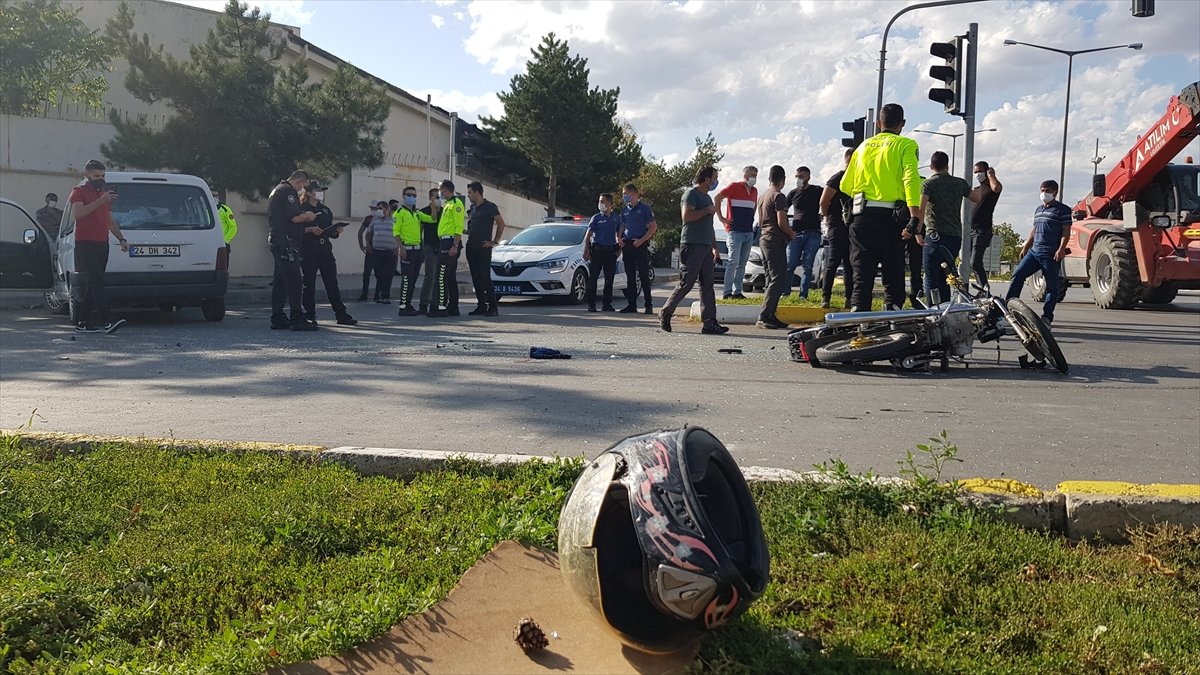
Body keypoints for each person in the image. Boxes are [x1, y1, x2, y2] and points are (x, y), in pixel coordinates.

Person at [840, 103, 921, 312]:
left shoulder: (862, 147)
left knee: (862, 275)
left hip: (861, 218)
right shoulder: (906, 145)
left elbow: (845, 185)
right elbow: (911, 178)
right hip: (891, 218)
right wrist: (914, 217)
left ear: (878, 123)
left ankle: (859, 321)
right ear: (902, 124)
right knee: (893, 273)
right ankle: (892, 318)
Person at [660, 166, 728, 335]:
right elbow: (687, 217)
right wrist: (706, 211)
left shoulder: (708, 198)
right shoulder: (691, 195)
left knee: (707, 285)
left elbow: (710, 227)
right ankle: (666, 312)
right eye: (714, 177)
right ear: (706, 179)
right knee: (687, 282)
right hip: (692, 244)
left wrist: (715, 249)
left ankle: (709, 322)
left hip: (705, 246)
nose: (715, 181)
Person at [67, 160, 130, 333]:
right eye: (96, 176)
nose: (100, 179)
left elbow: (109, 220)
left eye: (103, 176)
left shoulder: (104, 195)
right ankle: (107, 320)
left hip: (102, 242)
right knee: (97, 281)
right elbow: (78, 214)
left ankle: (82, 321)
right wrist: (100, 201)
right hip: (85, 243)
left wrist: (121, 238)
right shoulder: (79, 192)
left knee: (94, 282)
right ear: (87, 174)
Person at [1006, 180, 1072, 326]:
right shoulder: (1039, 209)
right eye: (1042, 190)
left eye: (1047, 191)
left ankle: (1047, 317)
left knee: (1052, 287)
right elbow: (1034, 230)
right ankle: (1009, 308)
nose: (1043, 194)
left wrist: (1061, 249)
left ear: (1055, 192)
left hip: (1050, 254)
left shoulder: (1063, 210)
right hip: (1034, 253)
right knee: (1017, 275)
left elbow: (1066, 232)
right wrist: (1026, 246)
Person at [918, 151, 980, 304]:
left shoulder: (928, 184)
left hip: (934, 236)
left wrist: (917, 232)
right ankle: (946, 309)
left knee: (931, 278)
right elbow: (976, 198)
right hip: (954, 237)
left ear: (931, 166)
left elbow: (921, 209)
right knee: (945, 277)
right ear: (947, 165)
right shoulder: (959, 183)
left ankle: (934, 311)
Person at [298, 182, 356, 326]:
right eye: (317, 190)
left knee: (332, 282)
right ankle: (309, 314)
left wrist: (336, 231)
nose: (320, 193)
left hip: (325, 250)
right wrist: (309, 230)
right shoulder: (301, 209)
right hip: (309, 249)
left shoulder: (325, 210)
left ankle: (341, 314)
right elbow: (295, 230)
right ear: (309, 192)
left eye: (321, 190)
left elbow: (329, 231)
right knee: (309, 283)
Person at [267, 169, 319, 331]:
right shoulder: (288, 192)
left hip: (279, 241)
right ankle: (297, 317)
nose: (303, 189)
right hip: (286, 243)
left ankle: (278, 317)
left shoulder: (278, 189)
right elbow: (294, 217)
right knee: (295, 280)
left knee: (281, 281)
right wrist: (308, 215)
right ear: (300, 182)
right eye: (305, 185)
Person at [755, 165, 794, 329]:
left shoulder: (763, 195)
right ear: (783, 180)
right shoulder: (779, 196)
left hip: (764, 238)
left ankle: (769, 314)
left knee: (771, 279)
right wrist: (791, 234)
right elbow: (782, 222)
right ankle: (765, 316)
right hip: (774, 240)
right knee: (778, 278)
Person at [818, 148, 855, 308]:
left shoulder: (858, 178)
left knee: (850, 264)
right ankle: (825, 298)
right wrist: (827, 217)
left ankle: (849, 298)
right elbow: (823, 202)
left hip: (852, 227)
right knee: (833, 263)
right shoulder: (837, 178)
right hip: (837, 226)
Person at [714, 166, 757, 299]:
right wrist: (721, 218)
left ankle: (737, 291)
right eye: (751, 175)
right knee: (733, 261)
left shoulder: (754, 190)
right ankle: (727, 292)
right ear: (744, 175)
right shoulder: (734, 186)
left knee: (742, 263)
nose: (753, 178)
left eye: (755, 175)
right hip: (734, 231)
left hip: (748, 231)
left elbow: (753, 207)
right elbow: (717, 198)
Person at [464, 181, 506, 316]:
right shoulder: (472, 208)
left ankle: (493, 307)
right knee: (476, 278)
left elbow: (501, 224)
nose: (468, 195)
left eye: (470, 193)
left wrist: (494, 241)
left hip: (483, 248)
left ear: (477, 193)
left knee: (485, 277)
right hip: (471, 247)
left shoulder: (490, 207)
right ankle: (481, 305)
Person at [393, 186, 436, 316]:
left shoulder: (417, 213)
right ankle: (403, 307)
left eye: (414, 195)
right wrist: (401, 248)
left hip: (418, 250)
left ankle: (408, 304)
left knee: (413, 279)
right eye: (409, 195)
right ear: (403, 196)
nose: (412, 197)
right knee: (406, 279)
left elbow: (432, 219)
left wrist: (433, 207)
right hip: (407, 250)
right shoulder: (399, 213)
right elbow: (396, 233)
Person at [618, 184, 657, 314]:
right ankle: (631, 305)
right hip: (628, 244)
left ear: (634, 194)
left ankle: (648, 305)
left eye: (626, 193)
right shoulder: (625, 210)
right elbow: (623, 225)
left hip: (640, 244)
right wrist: (619, 237)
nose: (624, 196)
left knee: (644, 276)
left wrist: (642, 240)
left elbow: (653, 227)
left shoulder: (644, 208)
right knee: (630, 276)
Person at [785, 166, 823, 297]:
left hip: (813, 233)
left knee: (807, 266)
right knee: (790, 264)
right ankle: (785, 293)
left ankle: (803, 295)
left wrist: (824, 212)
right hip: (796, 233)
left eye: (800, 176)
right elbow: (782, 209)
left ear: (808, 177)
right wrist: (787, 228)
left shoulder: (817, 191)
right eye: (796, 176)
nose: (798, 179)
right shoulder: (793, 193)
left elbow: (828, 199)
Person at [430, 179, 465, 318]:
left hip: (450, 242)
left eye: (441, 190)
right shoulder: (448, 204)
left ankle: (441, 307)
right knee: (449, 277)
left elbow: (458, 227)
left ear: (446, 189)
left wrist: (455, 245)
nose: (440, 193)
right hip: (444, 242)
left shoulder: (456, 204)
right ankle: (453, 306)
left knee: (442, 275)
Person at [583, 192, 622, 312]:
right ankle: (591, 305)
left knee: (609, 280)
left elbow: (620, 235)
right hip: (597, 251)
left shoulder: (616, 218)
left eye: (603, 201)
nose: (600, 204)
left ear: (610, 204)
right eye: (600, 201)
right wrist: (586, 250)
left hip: (610, 252)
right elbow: (588, 235)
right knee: (593, 278)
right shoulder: (596, 218)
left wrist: (619, 250)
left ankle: (607, 304)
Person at [969, 161, 1004, 290]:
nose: (977, 174)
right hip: (970, 229)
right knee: (968, 261)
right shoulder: (976, 189)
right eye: (975, 172)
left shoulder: (990, 188)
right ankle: (979, 287)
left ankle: (984, 288)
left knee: (975, 261)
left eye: (980, 171)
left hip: (982, 230)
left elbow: (997, 188)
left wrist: (991, 175)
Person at [365, 199, 398, 303]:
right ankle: (379, 295)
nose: (378, 210)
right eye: (377, 208)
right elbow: (369, 233)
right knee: (379, 274)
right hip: (377, 252)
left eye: (380, 208)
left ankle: (385, 296)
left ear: (387, 209)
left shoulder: (394, 220)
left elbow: (400, 234)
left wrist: (397, 248)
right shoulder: (374, 220)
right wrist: (368, 244)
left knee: (387, 275)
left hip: (390, 252)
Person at [418, 188, 442, 315]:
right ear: (430, 199)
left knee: (440, 277)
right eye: (435, 197)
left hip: (442, 246)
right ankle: (424, 303)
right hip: (430, 246)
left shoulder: (444, 211)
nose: (437, 200)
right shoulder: (424, 212)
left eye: (439, 197)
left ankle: (436, 304)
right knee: (430, 276)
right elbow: (420, 230)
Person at [356, 201, 378, 302]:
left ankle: (377, 294)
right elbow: (360, 232)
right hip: (371, 248)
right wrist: (361, 245)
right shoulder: (369, 218)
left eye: (375, 208)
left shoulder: (382, 218)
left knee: (379, 274)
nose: (374, 210)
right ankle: (366, 294)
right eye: (372, 208)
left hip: (379, 248)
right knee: (367, 273)